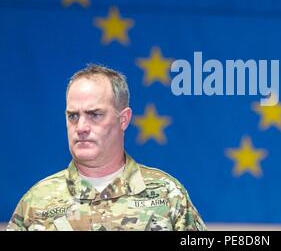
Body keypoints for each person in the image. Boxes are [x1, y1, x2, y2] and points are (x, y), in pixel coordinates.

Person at [7, 64, 207, 231]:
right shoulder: (36, 203)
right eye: (73, 116)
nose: (81, 128)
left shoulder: (167, 195)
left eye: (95, 114)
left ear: (124, 119)